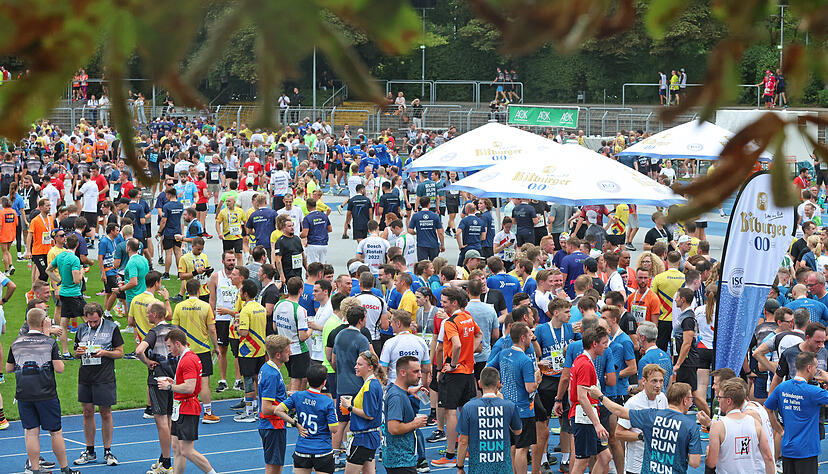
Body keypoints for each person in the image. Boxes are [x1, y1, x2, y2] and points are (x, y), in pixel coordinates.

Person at [6, 308, 79, 474]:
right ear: (42, 322)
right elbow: (59, 368)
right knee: (55, 432)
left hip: (23, 393)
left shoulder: (16, 342)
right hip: (46, 393)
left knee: (31, 433)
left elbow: (9, 368)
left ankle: (35, 470)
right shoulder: (49, 342)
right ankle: (65, 468)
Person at [156, 328, 220, 474]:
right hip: (180, 408)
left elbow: (190, 387)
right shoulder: (186, 357)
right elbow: (187, 382)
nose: (169, 350)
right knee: (176, 448)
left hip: (187, 408)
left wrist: (170, 386)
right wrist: (176, 381)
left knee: (187, 450)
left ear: (177, 343)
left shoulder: (188, 360)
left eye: (169, 346)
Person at [432, 287, 483, 468]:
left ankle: (450, 454)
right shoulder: (468, 317)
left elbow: (456, 345)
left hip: (454, 373)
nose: (442, 304)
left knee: (450, 411)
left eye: (445, 301)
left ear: (454, 302)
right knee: (464, 410)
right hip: (468, 371)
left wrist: (451, 364)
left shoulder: (450, 322)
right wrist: (470, 353)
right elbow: (479, 335)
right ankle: (466, 448)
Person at [71, 302, 124, 466]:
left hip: (104, 376)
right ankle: (90, 451)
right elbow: (75, 353)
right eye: (90, 321)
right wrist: (78, 353)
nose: (92, 324)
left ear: (100, 316)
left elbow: (120, 353)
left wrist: (105, 353)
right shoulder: (80, 329)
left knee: (105, 412)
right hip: (85, 376)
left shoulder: (111, 327)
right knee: (87, 412)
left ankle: (108, 451)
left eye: (95, 321)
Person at [488, 321, 541, 474]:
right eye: (530, 336)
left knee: (511, 446)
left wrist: (498, 385)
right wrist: (537, 378)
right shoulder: (525, 361)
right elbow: (530, 388)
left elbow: (488, 368)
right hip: (523, 410)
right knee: (522, 448)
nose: (532, 339)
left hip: (506, 407)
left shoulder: (503, 353)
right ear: (523, 338)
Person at [765, 351, 828, 474]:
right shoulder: (814, 392)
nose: (816, 371)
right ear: (809, 368)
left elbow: (768, 408)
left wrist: (780, 430)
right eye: (815, 367)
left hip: (788, 448)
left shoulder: (782, 387)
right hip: (807, 451)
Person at [273, 364, 339, 474]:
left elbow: (277, 410)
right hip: (322, 451)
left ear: (307, 380)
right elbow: (334, 429)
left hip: (302, 450)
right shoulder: (327, 401)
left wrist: (295, 423)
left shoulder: (297, 396)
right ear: (324, 382)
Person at [134, 301, 176, 474]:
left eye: (148, 313)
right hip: (174, 379)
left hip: (158, 379)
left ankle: (166, 463)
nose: (147, 315)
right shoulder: (176, 330)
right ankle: (163, 458)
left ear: (156, 315)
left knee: (161, 421)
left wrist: (147, 361)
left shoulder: (154, 332)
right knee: (169, 420)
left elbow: (138, 351)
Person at [172, 278, 221, 423]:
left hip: (185, 351)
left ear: (186, 291)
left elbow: (175, 329)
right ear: (200, 290)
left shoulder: (179, 307)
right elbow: (212, 330)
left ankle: (182, 409)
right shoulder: (205, 307)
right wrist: (216, 347)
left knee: (184, 380)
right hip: (202, 349)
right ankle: (207, 412)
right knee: (204, 381)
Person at [705, 379, 775, 474]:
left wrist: (708, 454)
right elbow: (769, 458)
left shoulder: (718, 426)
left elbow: (711, 463)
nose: (718, 400)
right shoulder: (755, 422)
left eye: (719, 397)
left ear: (728, 401)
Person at [569, 325, 612, 474]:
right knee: (582, 462)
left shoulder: (581, 360)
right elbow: (581, 396)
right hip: (584, 418)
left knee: (605, 457)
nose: (607, 346)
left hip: (585, 415)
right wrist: (597, 424)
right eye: (604, 343)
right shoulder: (585, 364)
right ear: (595, 344)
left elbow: (572, 390)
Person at [615, 363, 669, 474]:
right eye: (654, 381)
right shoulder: (633, 403)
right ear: (644, 381)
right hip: (636, 465)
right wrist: (641, 436)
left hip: (657, 462)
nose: (658, 385)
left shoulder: (662, 398)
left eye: (661, 381)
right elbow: (618, 433)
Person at [340, 350, 385, 474]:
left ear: (370, 367)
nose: (356, 367)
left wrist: (349, 407)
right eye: (356, 363)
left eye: (360, 364)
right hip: (368, 436)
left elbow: (369, 414)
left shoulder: (369, 387)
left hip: (363, 438)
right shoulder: (372, 383)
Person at [382, 355, 428, 474]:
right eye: (416, 371)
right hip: (400, 461)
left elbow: (395, 388)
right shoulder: (397, 397)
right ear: (403, 372)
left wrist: (408, 391)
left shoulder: (397, 391)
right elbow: (393, 428)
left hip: (400, 459)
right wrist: (415, 423)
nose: (420, 375)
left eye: (420, 371)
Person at [233, 279, 268, 423]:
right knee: (258, 380)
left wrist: (236, 327)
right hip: (261, 349)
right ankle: (260, 409)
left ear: (245, 293)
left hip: (248, 351)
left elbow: (244, 332)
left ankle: (249, 412)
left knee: (247, 380)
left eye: (241, 291)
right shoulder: (261, 308)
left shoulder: (245, 310)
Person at [45, 232, 84, 360]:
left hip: (63, 293)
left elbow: (48, 270)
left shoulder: (61, 256)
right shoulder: (74, 259)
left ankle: (66, 352)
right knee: (89, 320)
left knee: (63, 322)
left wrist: (58, 280)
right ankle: (85, 348)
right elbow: (77, 280)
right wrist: (82, 273)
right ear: (77, 245)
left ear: (67, 243)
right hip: (74, 294)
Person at [256, 334, 291, 474]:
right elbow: (266, 408)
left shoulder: (269, 368)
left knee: (275, 465)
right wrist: (288, 406)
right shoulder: (272, 375)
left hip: (273, 425)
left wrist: (288, 397)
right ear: (278, 354)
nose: (290, 353)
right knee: (274, 468)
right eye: (287, 351)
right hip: (273, 425)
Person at [273, 276, 311, 391]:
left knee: (298, 378)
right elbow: (303, 336)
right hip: (298, 349)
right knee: (297, 380)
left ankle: (294, 404)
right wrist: (312, 329)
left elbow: (274, 327)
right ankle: (291, 406)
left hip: (284, 348)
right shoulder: (300, 310)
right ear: (301, 290)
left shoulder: (278, 305)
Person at [637, 321, 673, 392]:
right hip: (663, 399)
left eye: (637, 335)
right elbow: (669, 383)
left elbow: (642, 388)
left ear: (643, 338)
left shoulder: (645, 360)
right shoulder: (666, 356)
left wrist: (631, 390)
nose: (636, 338)